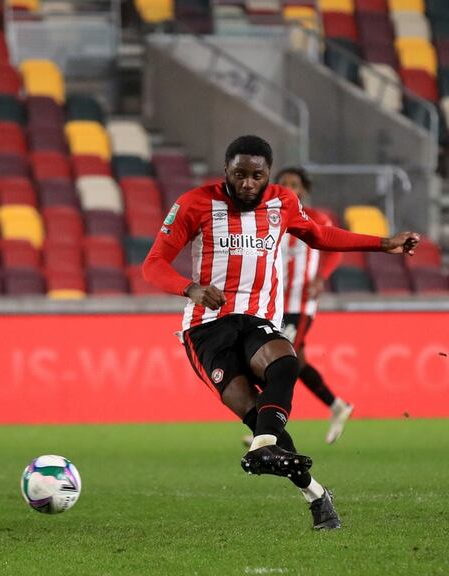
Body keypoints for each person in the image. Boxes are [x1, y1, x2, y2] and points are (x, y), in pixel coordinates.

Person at [142, 135, 419, 530]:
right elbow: (152, 264)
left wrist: (384, 243)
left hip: (256, 318)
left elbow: (321, 235)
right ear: (226, 171)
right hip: (206, 328)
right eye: (240, 174)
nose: (249, 183)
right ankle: (316, 494)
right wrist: (191, 288)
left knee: (286, 361)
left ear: (268, 173)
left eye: (257, 175)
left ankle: (265, 450)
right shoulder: (193, 203)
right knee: (255, 419)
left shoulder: (282, 203)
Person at [276, 167, 354, 444]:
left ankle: (268, 430)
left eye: (294, 184)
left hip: (300, 301)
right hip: (273, 303)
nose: (288, 187)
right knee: (296, 363)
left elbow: (333, 249)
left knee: (280, 360)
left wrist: (321, 278)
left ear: (304, 190)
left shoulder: (317, 219)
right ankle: (337, 406)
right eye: (283, 183)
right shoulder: (270, 219)